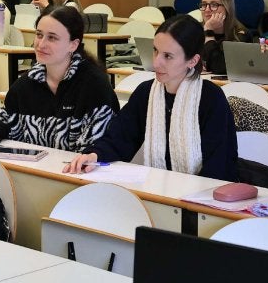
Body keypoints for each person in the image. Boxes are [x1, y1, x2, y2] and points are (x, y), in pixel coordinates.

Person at [64, 15, 237, 180]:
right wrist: (94, 155)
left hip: (201, 199)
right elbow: (120, 137)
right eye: (155, 51)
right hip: (159, 191)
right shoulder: (146, 92)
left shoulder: (211, 99)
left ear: (192, 61)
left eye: (167, 56)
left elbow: (219, 167)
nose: (156, 63)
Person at [0, 7, 117, 152]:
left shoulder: (94, 85)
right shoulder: (26, 83)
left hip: (79, 175)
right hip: (35, 171)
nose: (41, 44)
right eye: (39, 35)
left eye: (52, 38)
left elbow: (97, 145)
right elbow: (6, 118)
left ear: (73, 44)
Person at [198, 0, 251, 76]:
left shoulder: (241, 35)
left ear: (227, 8)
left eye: (213, 5)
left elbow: (220, 68)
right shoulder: (194, 30)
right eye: (204, 4)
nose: (207, 9)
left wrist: (209, 33)